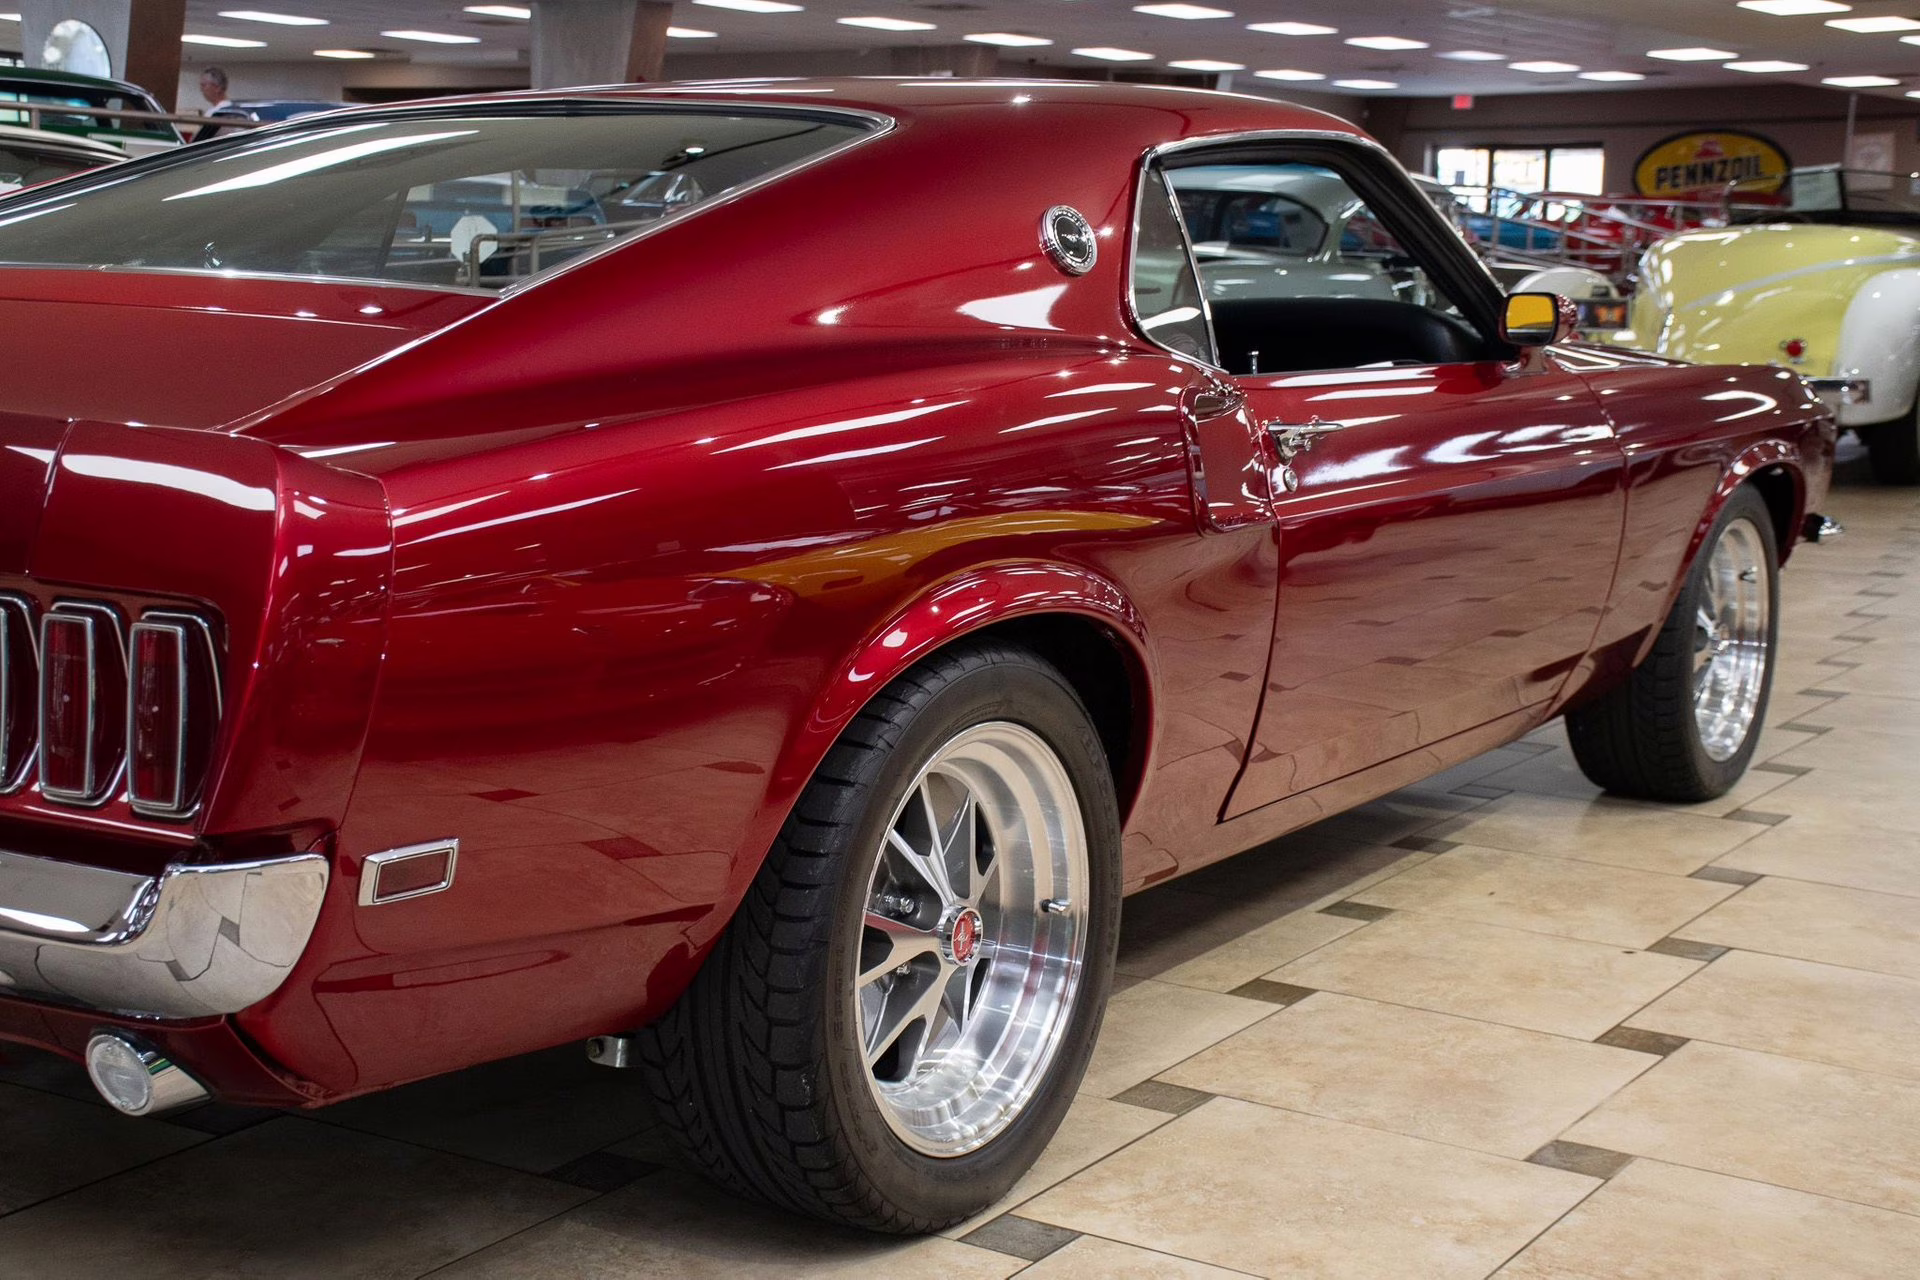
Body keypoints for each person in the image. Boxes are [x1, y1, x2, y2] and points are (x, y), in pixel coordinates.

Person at [192, 67, 237, 142]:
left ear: (217, 88)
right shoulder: (233, 108)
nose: (201, 89)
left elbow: (197, 140)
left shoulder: (217, 112)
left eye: (204, 85)